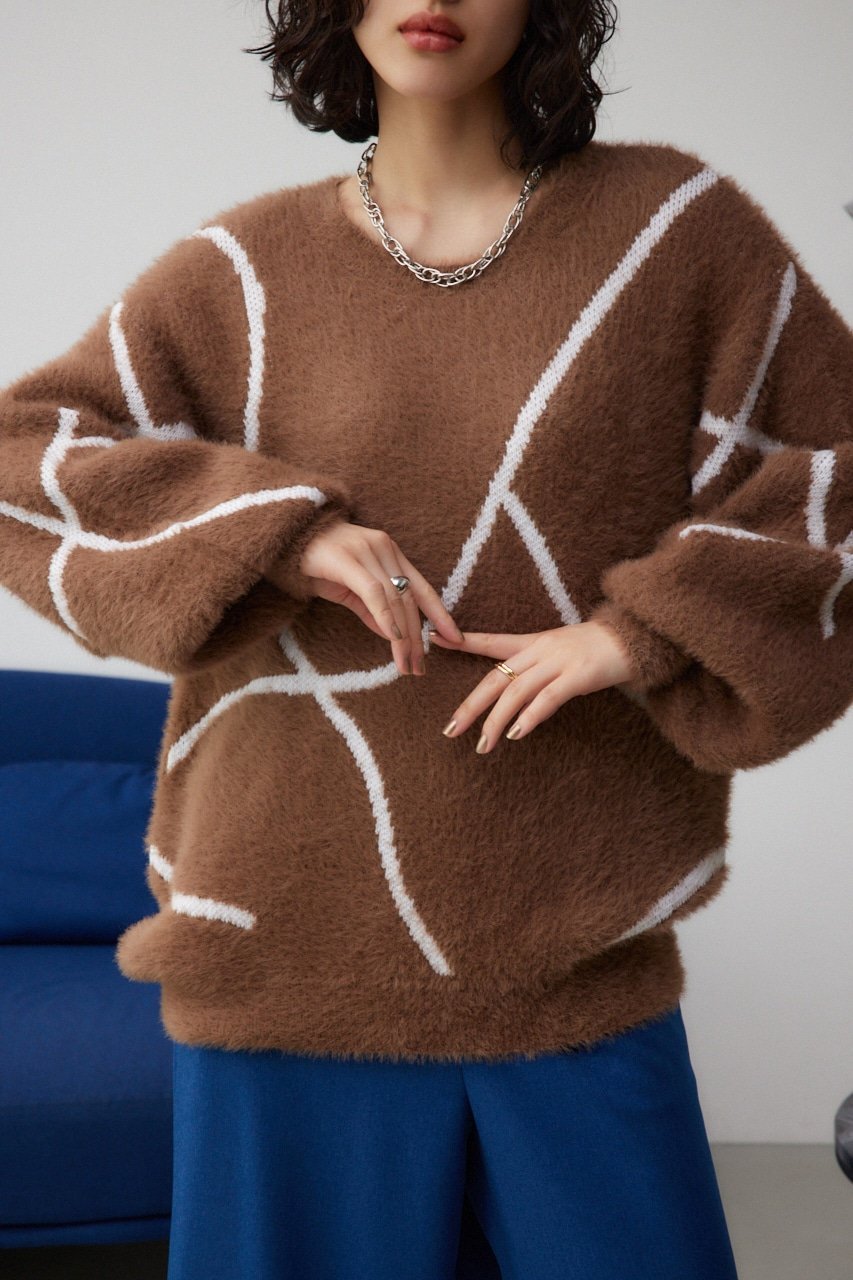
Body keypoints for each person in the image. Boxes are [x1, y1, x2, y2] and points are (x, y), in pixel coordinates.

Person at [2, 1, 851, 1277]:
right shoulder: (244, 270)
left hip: (569, 946)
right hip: (282, 942)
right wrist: (280, 531)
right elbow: (24, 463)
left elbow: (839, 472)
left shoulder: (674, 235)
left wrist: (644, 631)